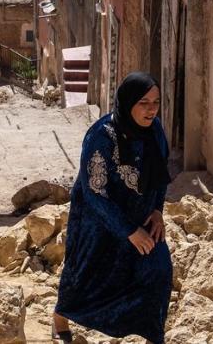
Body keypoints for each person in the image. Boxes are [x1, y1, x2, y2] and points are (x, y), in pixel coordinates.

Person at [53, 72, 172, 343]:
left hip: (140, 216)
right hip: (97, 221)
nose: (151, 109)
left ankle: (152, 334)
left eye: (155, 102)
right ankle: (61, 316)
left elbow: (160, 175)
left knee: (159, 270)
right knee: (85, 275)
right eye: (143, 102)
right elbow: (94, 192)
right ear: (128, 102)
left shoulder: (155, 132)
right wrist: (129, 230)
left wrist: (157, 211)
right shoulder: (101, 136)